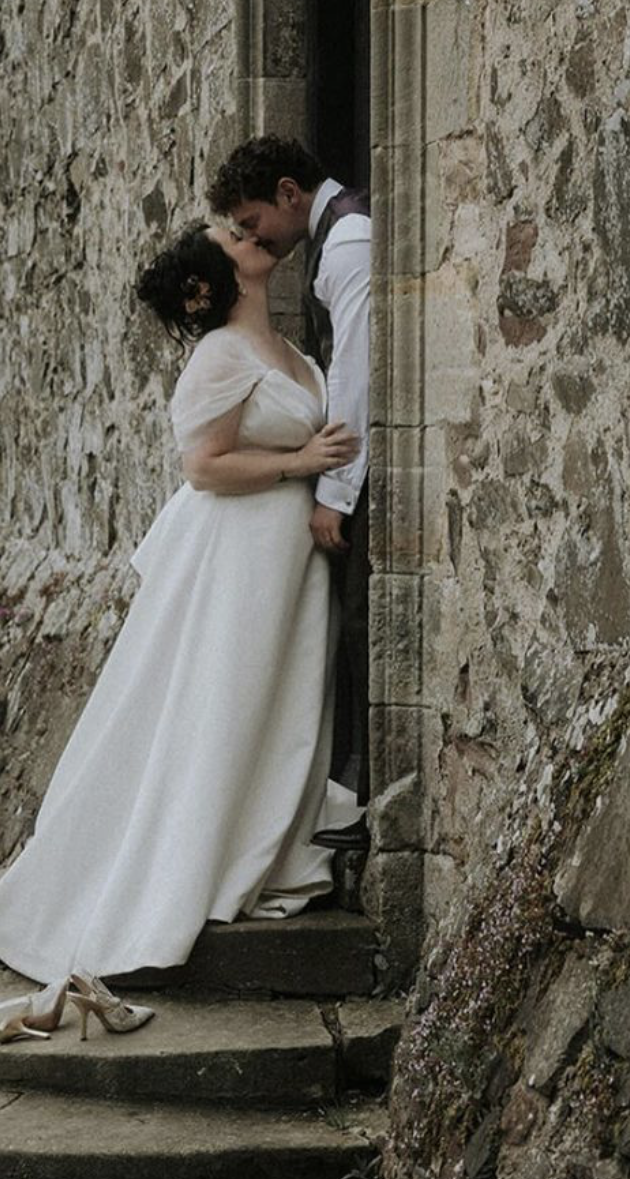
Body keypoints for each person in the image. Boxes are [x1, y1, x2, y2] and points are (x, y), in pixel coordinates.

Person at [0, 221, 361, 1028]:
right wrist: (301, 466)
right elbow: (202, 466)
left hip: (285, 559)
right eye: (229, 235)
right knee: (221, 703)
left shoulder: (289, 348)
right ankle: (178, 866)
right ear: (206, 284)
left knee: (276, 706)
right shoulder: (219, 353)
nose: (247, 234)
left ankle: (258, 835)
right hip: (238, 555)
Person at [208, 136, 371, 846]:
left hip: (352, 475)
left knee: (361, 629)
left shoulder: (348, 244)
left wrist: (336, 489)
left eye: (252, 220)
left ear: (287, 193)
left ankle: (355, 793)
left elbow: (362, 371)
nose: (254, 237)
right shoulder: (334, 241)